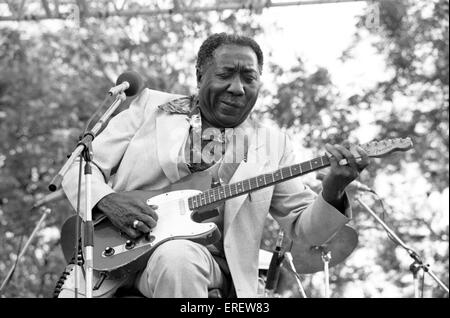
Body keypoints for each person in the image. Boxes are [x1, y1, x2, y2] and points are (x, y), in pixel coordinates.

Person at [60, 33, 369, 298]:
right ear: (200, 76)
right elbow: (80, 166)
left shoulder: (271, 145)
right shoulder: (149, 108)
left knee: (178, 256)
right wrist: (106, 200)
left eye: (249, 78)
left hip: (202, 261)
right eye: (225, 75)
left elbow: (305, 231)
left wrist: (333, 190)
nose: (237, 88)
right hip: (115, 252)